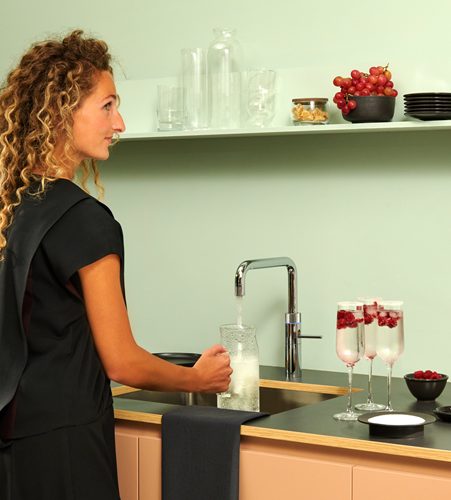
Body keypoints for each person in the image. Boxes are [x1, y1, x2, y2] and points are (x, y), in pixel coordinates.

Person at [0, 29, 232, 500]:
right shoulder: (84, 219)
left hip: (13, 435)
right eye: (107, 106)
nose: (119, 122)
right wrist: (198, 379)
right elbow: (122, 361)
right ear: (61, 112)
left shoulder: (12, 207)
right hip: (66, 441)